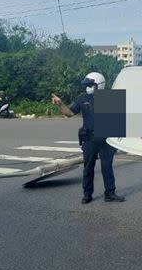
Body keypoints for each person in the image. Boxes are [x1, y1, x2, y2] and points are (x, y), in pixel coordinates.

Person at [51, 72, 125, 204]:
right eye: (87, 85)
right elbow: (69, 113)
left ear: (99, 85)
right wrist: (60, 104)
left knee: (107, 167)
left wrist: (118, 141)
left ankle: (110, 193)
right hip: (89, 139)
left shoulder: (110, 97)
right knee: (88, 168)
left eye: (90, 85)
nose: (88, 87)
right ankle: (87, 194)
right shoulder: (82, 98)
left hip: (106, 140)